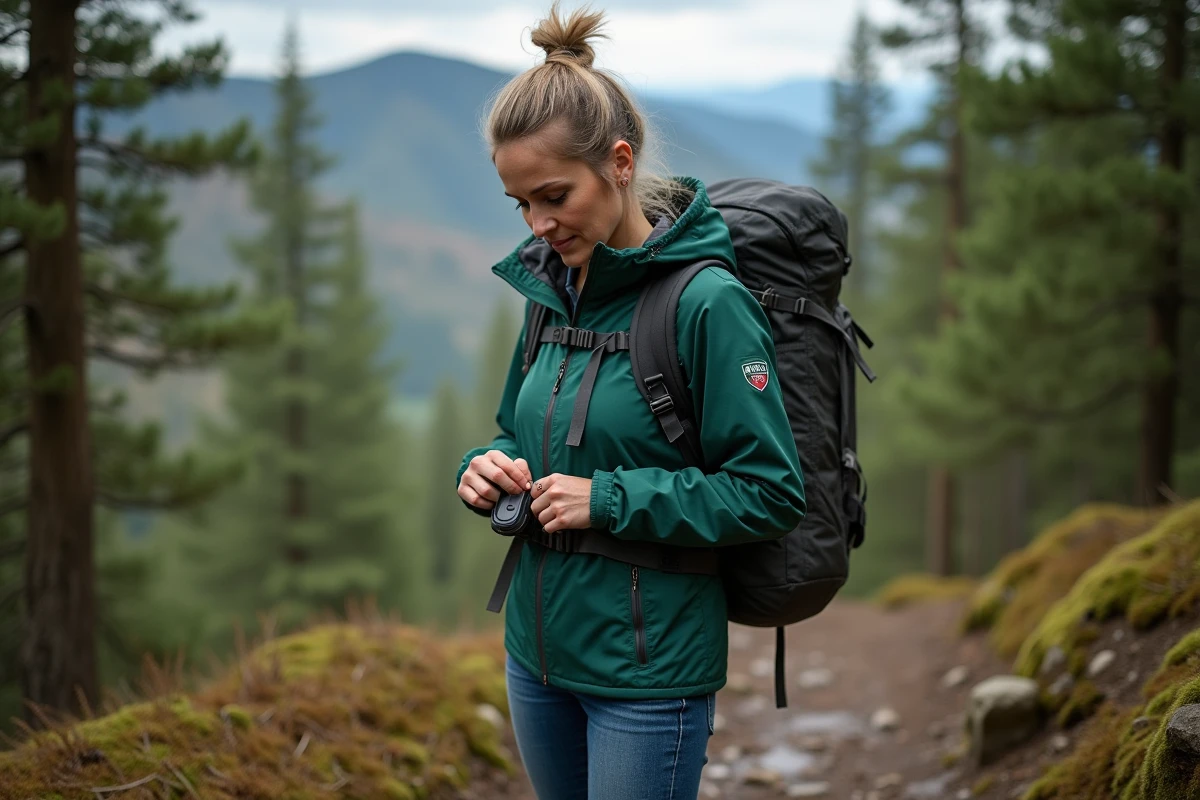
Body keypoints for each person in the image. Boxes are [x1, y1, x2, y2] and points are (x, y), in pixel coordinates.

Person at [455, 4, 806, 798]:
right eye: (520, 205)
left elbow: (770, 491)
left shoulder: (707, 305)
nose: (538, 226)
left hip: (648, 676)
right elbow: (517, 428)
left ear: (619, 162)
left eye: (553, 196)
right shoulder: (551, 290)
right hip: (536, 656)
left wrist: (609, 497)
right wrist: (484, 467)